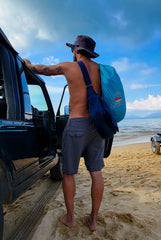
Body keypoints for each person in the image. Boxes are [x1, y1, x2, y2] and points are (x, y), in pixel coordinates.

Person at [23, 35, 104, 231]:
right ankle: (93, 220)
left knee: (69, 173)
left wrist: (27, 64)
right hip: (98, 126)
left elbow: (43, 70)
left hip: (76, 124)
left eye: (72, 50)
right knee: (96, 172)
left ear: (77, 50)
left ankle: (70, 217)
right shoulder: (102, 70)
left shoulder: (69, 67)